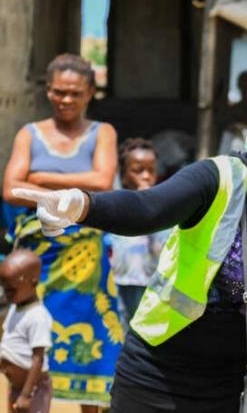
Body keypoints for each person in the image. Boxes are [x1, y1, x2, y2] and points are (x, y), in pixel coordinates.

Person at [13, 64, 247, 412]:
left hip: (235, 388)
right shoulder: (217, 177)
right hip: (154, 372)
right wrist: (82, 205)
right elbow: (147, 209)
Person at [1, 54, 118, 412]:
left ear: (90, 94)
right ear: (47, 91)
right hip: (37, 261)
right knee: (23, 345)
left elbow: (103, 181)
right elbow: (9, 188)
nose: (65, 100)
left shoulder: (103, 133)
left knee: (92, 342)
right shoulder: (29, 134)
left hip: (85, 263)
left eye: (74, 93)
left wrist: (38, 179)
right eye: (58, 92)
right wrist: (72, 188)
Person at [107, 138, 169, 327]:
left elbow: (163, 246)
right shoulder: (116, 204)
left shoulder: (165, 205)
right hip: (119, 282)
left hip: (151, 284)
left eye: (151, 171)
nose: (146, 177)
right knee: (121, 329)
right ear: (124, 176)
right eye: (138, 170)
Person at [0, 249, 53, 413]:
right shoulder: (15, 307)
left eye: (11, 290)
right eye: (4, 289)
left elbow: (38, 358)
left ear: (33, 282)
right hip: (17, 387)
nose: (6, 295)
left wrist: (25, 395)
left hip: (33, 389)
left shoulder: (37, 316)